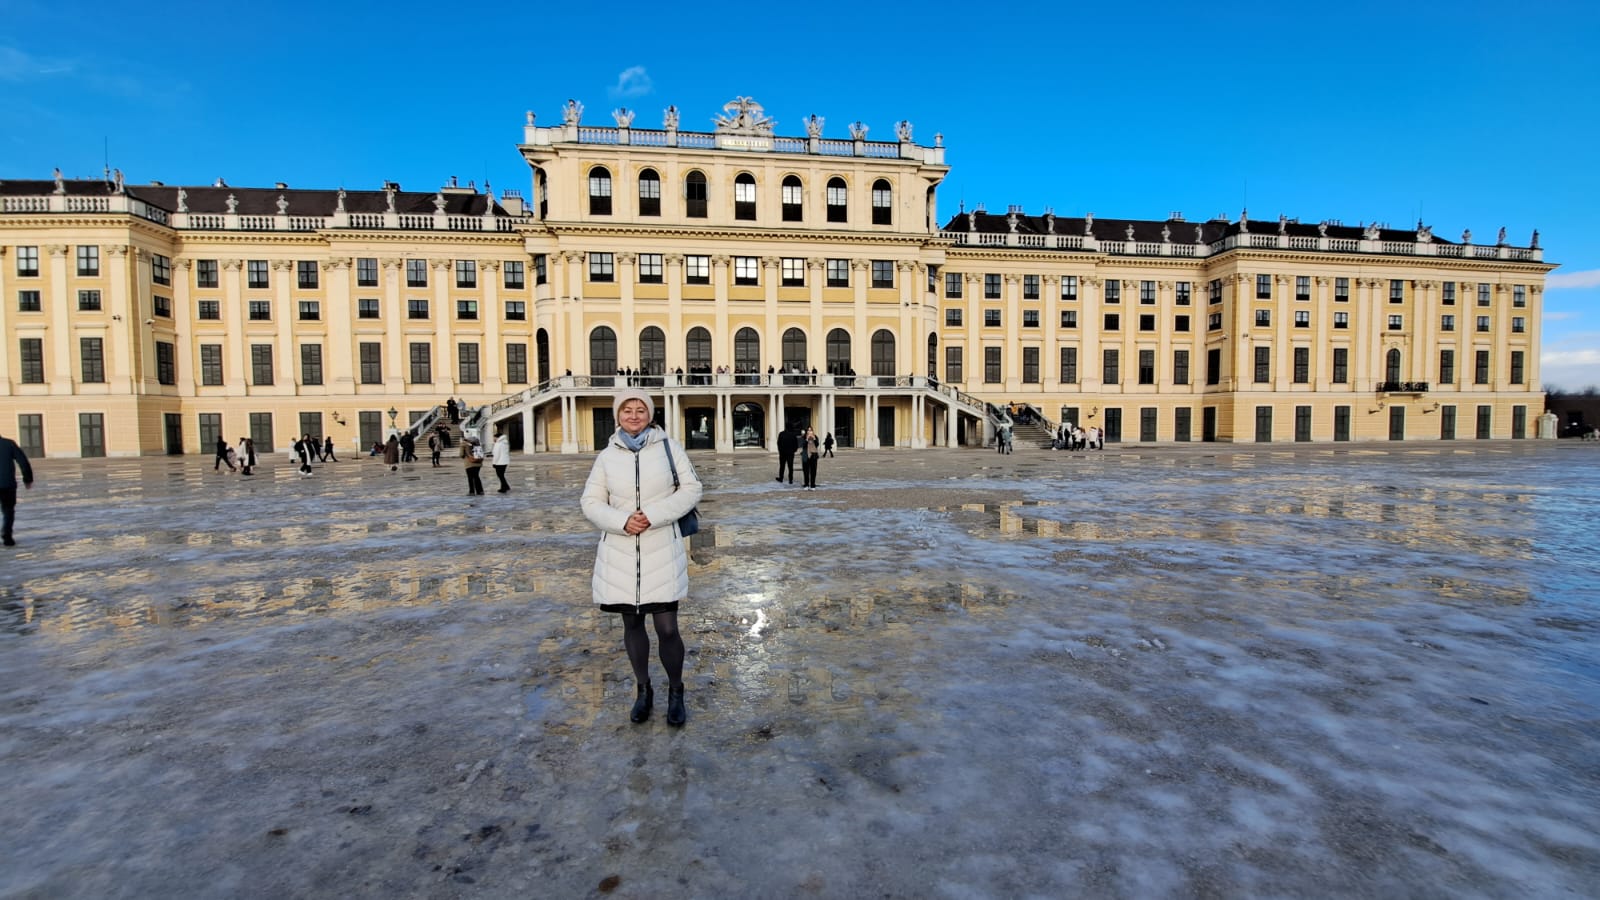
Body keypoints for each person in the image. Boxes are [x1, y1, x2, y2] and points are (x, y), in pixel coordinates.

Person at [581, 389, 702, 727]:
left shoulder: (669, 448)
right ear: (617, 415)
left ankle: (676, 691)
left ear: (650, 415)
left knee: (667, 628)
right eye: (627, 410)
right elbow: (590, 502)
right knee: (632, 625)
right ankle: (643, 690)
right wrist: (622, 521)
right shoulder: (607, 457)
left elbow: (692, 489)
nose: (633, 416)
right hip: (620, 553)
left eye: (640, 410)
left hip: (660, 547)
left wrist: (653, 515)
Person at [1, 429, 36, 547]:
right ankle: (7, 535)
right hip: (7, 484)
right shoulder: (9, 444)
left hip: (7, 484)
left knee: (8, 510)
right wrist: (28, 479)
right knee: (8, 510)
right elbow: (23, 462)